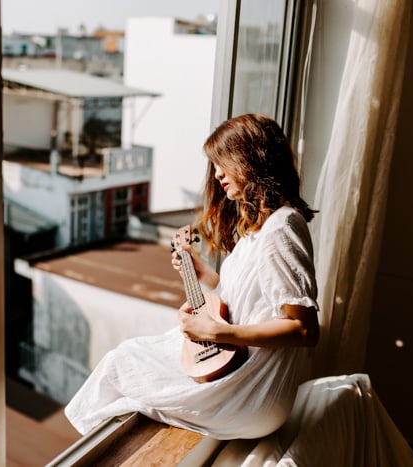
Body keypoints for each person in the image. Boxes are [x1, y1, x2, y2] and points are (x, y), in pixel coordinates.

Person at [65, 113, 320, 440]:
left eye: (221, 163)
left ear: (249, 158)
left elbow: (304, 329)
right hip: (241, 372)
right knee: (128, 360)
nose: (217, 174)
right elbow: (246, 299)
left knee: (122, 361)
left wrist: (218, 332)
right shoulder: (263, 228)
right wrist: (200, 272)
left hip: (253, 395)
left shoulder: (282, 228)